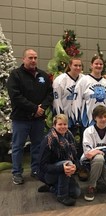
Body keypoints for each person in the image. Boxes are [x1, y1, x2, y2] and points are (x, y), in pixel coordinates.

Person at [7, 49, 53, 185]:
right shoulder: (15, 75)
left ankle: (35, 170)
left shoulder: (43, 76)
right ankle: (16, 173)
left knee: (38, 146)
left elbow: (50, 95)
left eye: (35, 58)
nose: (33, 60)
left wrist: (42, 108)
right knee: (17, 146)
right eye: (30, 58)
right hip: (20, 119)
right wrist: (34, 108)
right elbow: (15, 96)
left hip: (38, 120)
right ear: (23, 59)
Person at [38, 114, 81, 206]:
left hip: (64, 172)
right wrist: (62, 167)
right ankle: (62, 196)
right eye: (60, 124)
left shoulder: (70, 137)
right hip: (47, 174)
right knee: (67, 163)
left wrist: (75, 167)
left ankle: (52, 187)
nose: (63, 127)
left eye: (65, 124)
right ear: (54, 125)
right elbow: (42, 166)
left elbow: (76, 158)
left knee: (76, 193)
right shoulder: (48, 140)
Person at [81, 105, 106, 201]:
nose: (103, 119)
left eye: (105, 116)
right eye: (100, 117)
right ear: (95, 118)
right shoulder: (88, 131)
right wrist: (102, 151)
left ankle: (99, 175)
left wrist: (98, 151)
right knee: (98, 158)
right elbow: (88, 153)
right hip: (90, 163)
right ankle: (92, 186)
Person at [52, 57, 84, 134]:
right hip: (65, 118)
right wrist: (60, 118)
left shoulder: (84, 79)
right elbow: (57, 100)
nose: (78, 68)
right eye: (75, 65)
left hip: (80, 118)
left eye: (80, 66)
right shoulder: (60, 80)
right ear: (70, 66)